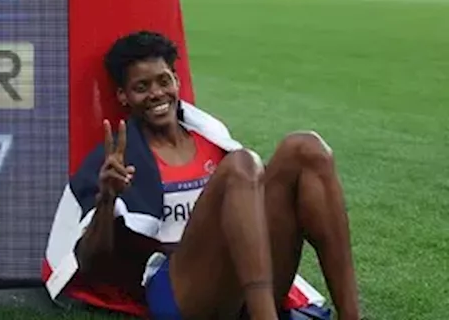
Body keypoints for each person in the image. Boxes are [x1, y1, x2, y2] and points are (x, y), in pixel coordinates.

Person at [42, 31, 362, 320]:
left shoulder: (212, 139)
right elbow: (91, 264)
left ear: (176, 81)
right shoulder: (116, 160)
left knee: (307, 148)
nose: (156, 93)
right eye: (142, 87)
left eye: (163, 81)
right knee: (241, 165)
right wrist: (107, 199)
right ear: (124, 96)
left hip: (246, 277)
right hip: (182, 287)